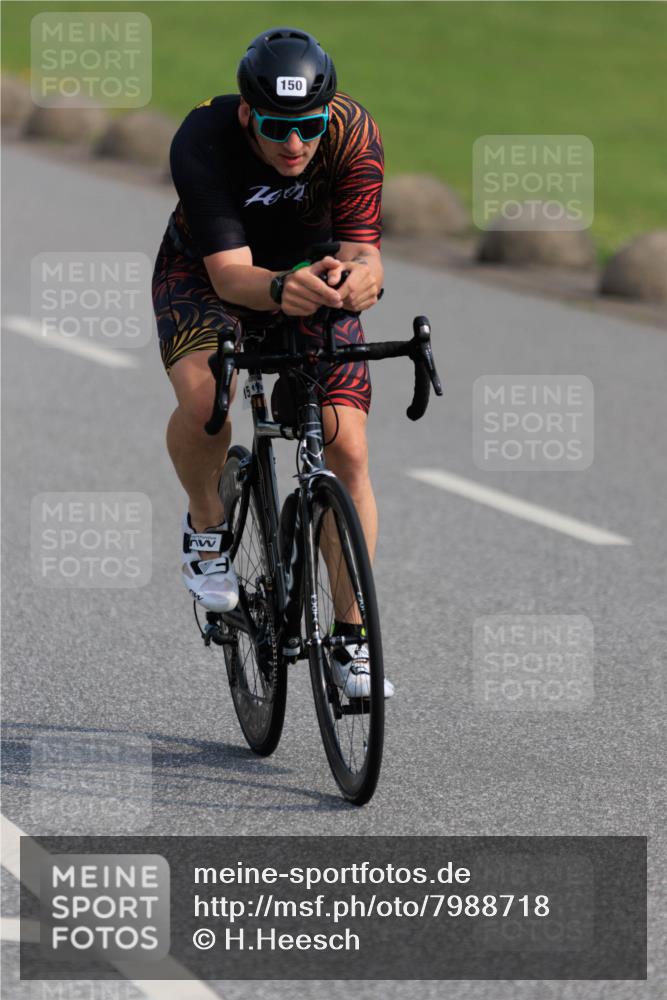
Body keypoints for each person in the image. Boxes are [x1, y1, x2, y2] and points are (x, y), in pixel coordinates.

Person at [152, 27, 393, 698]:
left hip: (313, 277)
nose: (294, 143)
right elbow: (231, 276)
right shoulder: (203, 136)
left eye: (308, 126)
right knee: (206, 402)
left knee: (346, 447)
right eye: (275, 127)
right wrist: (282, 289)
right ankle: (206, 525)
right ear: (245, 115)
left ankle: (351, 640)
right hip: (207, 277)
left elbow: (363, 250)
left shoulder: (350, 134)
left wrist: (364, 278)